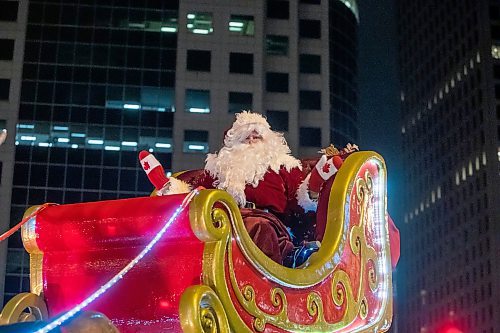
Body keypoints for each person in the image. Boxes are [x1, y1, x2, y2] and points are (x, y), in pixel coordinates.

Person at [139, 112, 397, 266]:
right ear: (233, 144)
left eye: (256, 136)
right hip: (226, 222)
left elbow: (300, 200)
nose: (251, 141)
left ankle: (282, 268)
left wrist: (316, 181)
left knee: (259, 229)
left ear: (269, 140)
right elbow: (196, 194)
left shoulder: (283, 166)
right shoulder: (219, 170)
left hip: (269, 223)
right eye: (245, 138)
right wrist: (170, 186)